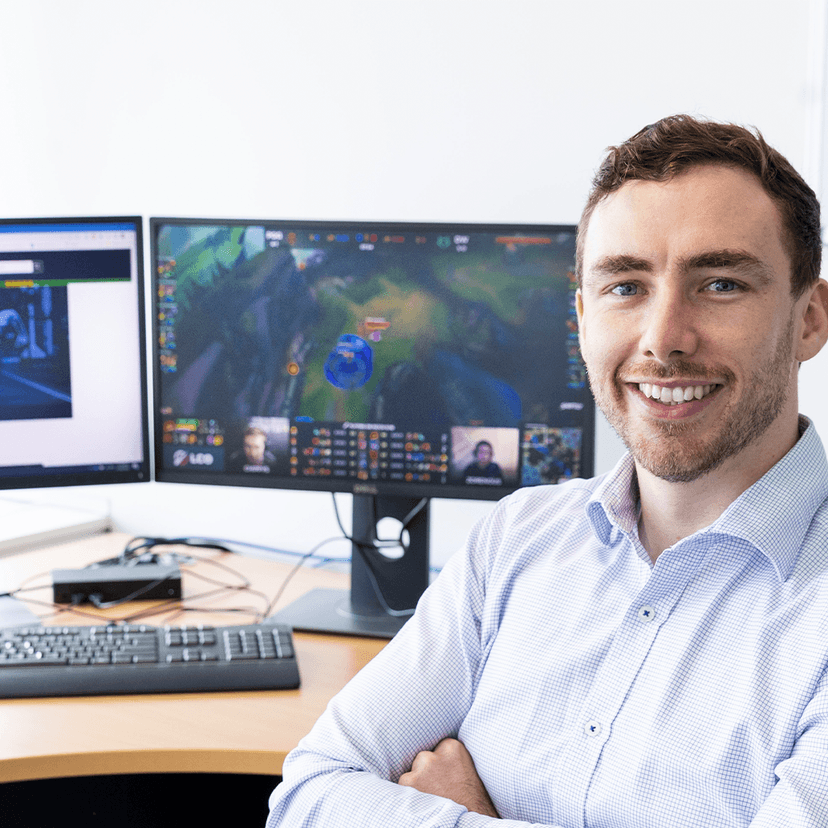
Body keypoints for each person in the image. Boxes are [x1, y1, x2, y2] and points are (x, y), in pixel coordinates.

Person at [266, 115, 828, 826]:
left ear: (809, 317)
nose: (663, 340)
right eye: (626, 286)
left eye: (719, 284)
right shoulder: (518, 539)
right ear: (583, 318)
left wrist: (471, 816)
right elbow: (309, 796)